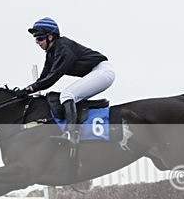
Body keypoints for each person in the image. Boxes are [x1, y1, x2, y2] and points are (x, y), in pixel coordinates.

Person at [24, 17, 115, 145]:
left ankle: (72, 133)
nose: (37, 42)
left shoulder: (63, 47)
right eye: (35, 39)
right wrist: (26, 90)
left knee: (67, 95)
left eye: (39, 38)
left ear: (50, 37)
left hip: (103, 72)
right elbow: (44, 78)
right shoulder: (51, 53)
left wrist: (31, 88)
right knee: (70, 96)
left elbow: (53, 76)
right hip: (97, 73)